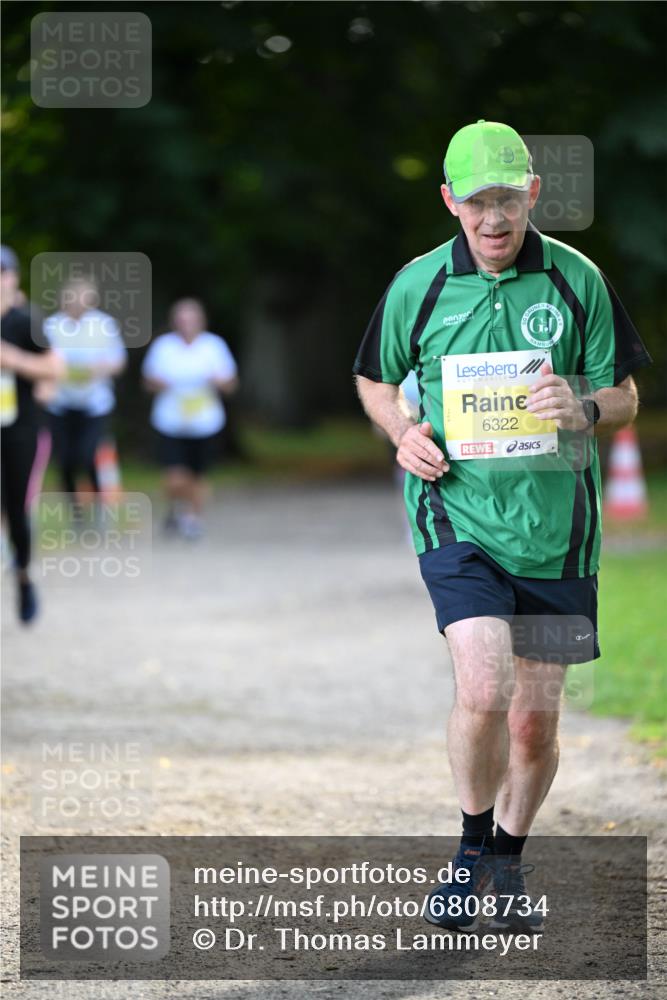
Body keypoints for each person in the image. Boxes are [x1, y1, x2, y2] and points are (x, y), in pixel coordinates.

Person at [353, 120, 652, 932]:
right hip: (456, 514)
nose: (493, 219)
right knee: (483, 686)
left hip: (558, 530)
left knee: (534, 717)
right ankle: (467, 852)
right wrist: (402, 432)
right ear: (449, 200)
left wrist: (584, 406)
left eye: (508, 201)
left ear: (533, 196)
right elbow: (375, 381)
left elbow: (625, 396)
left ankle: (510, 862)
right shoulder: (416, 286)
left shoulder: (575, 280)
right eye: (477, 202)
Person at [1, 245, 64, 623]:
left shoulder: (26, 322)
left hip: (21, 429)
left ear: (13, 278)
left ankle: (23, 577)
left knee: (16, 509)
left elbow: (54, 370)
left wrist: (14, 360)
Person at [142, 298, 239, 539]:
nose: (186, 324)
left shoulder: (213, 346)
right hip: (170, 421)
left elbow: (230, 384)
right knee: (175, 477)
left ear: (201, 321)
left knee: (199, 476)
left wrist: (219, 381)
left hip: (205, 422)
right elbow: (148, 381)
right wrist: (158, 383)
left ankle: (193, 519)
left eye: (191, 319)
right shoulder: (163, 347)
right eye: (181, 319)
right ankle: (177, 507)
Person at [44, 277, 127, 503]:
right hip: (60, 404)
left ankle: (100, 502)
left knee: (89, 455)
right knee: (65, 461)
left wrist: (99, 368)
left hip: (95, 404)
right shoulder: (51, 326)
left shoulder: (104, 325)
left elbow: (118, 362)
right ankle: (75, 510)